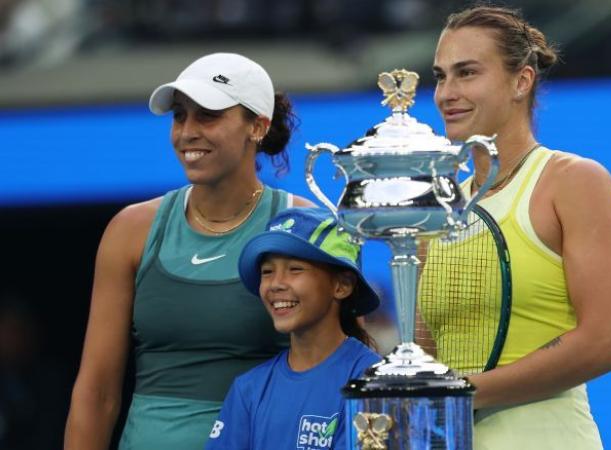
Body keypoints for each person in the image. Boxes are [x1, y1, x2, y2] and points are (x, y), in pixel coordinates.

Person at [64, 52, 314, 450]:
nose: (187, 132)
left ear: (258, 126)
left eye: (208, 116)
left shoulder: (304, 227)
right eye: (180, 116)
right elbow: (96, 392)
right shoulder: (129, 231)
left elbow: (330, 381)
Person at [427, 5, 611, 449]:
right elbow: (425, 356)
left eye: (467, 73)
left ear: (521, 81)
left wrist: (462, 393)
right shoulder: (436, 208)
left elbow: (605, 342)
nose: (447, 92)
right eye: (441, 76)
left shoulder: (575, 181)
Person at [205, 207, 382, 450]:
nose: (275, 284)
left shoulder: (372, 383)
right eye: (267, 272)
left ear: (342, 285)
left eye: (295, 269)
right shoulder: (249, 388)